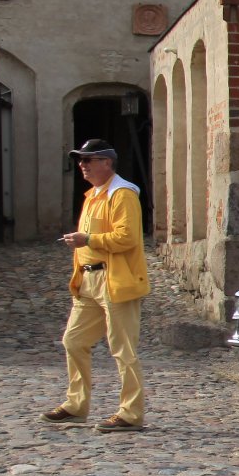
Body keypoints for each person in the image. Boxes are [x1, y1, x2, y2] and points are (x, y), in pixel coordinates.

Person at [43, 139, 151, 431]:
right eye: (80, 160)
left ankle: (131, 413)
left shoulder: (122, 194)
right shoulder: (93, 195)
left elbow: (127, 238)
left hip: (115, 279)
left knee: (122, 349)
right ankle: (76, 405)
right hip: (89, 281)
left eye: (88, 160)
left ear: (107, 162)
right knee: (74, 341)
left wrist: (88, 240)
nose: (83, 165)